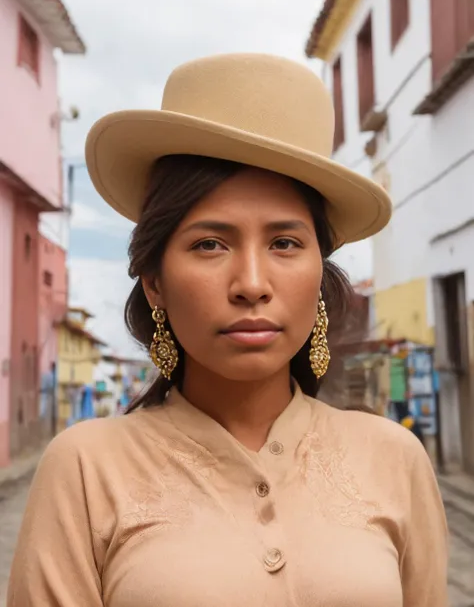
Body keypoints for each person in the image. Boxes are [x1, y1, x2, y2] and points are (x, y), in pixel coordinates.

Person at [8, 54, 448, 606]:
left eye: (285, 243)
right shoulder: (85, 467)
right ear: (154, 282)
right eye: (209, 244)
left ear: (320, 275)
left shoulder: (394, 457)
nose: (252, 284)